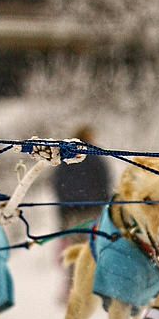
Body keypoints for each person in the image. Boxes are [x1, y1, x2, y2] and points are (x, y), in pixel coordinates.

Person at [51, 125, 111, 302]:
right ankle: (98, 289)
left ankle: (72, 289)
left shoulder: (64, 159)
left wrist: (62, 216)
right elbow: (105, 183)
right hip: (93, 212)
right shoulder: (96, 158)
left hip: (72, 214)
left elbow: (58, 187)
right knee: (95, 251)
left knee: (74, 252)